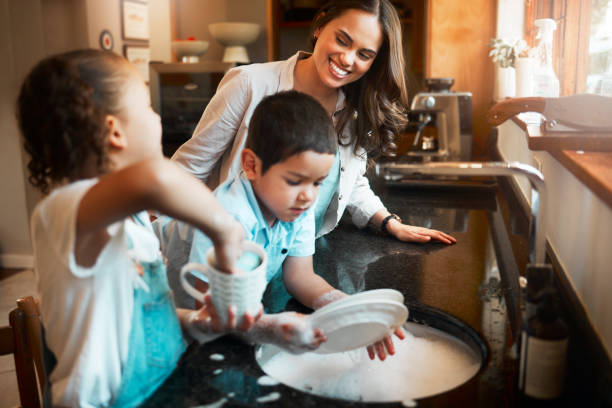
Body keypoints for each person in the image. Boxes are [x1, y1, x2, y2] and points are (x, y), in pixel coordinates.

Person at [16, 49, 259, 407]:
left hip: (159, 388)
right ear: (114, 131)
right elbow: (155, 178)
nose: (157, 117)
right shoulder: (63, 211)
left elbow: (134, 314)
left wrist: (195, 321)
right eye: (147, 106)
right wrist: (226, 232)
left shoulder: (131, 219)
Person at [171, 0, 456, 245]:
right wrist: (151, 243)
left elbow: (349, 182)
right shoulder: (249, 83)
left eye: (364, 54)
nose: (347, 59)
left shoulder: (356, 110)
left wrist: (388, 222)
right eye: (342, 40)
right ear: (319, 26)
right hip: (230, 251)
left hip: (301, 255)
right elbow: (189, 169)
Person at [156, 90, 404, 360]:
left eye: (317, 182)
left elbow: (301, 277)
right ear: (251, 165)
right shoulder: (228, 217)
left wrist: (348, 311)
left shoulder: (297, 207)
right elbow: (211, 312)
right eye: (294, 181)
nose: (308, 195)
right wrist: (269, 329)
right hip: (174, 313)